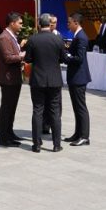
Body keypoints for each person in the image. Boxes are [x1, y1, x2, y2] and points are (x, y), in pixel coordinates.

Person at [24, 14, 67, 153]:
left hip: (38, 79)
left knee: (37, 110)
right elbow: (62, 58)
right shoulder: (57, 39)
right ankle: (56, 144)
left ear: (38, 24)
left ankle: (36, 144)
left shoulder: (32, 39)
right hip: (54, 79)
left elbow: (28, 59)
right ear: (50, 24)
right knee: (55, 111)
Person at [0, 12, 26, 147]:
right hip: (8, 79)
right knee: (7, 108)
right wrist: (22, 56)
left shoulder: (12, 37)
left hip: (14, 78)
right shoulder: (4, 38)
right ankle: (4, 137)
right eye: (20, 23)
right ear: (12, 23)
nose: (21, 25)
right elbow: (8, 58)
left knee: (12, 107)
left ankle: (10, 133)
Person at [64, 13, 91, 146]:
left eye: (69, 22)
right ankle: (78, 133)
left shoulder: (81, 37)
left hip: (79, 77)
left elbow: (79, 58)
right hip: (75, 77)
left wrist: (66, 57)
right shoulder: (77, 36)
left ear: (76, 22)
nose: (67, 25)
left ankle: (84, 136)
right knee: (76, 107)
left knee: (80, 107)